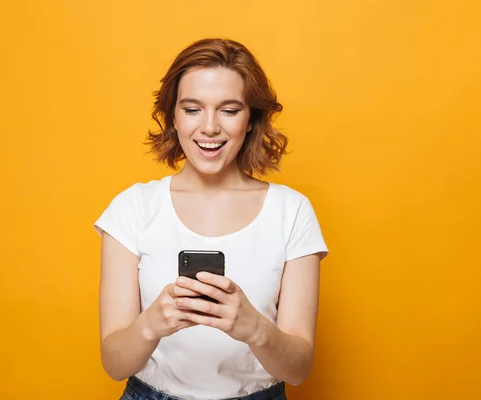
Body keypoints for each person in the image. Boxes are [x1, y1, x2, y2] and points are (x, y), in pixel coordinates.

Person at [94, 38, 329, 400]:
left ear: (251, 119)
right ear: (173, 116)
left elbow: (298, 370)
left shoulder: (292, 212)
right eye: (192, 109)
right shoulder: (132, 208)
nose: (209, 128)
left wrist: (252, 327)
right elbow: (114, 365)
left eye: (229, 110)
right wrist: (152, 323)